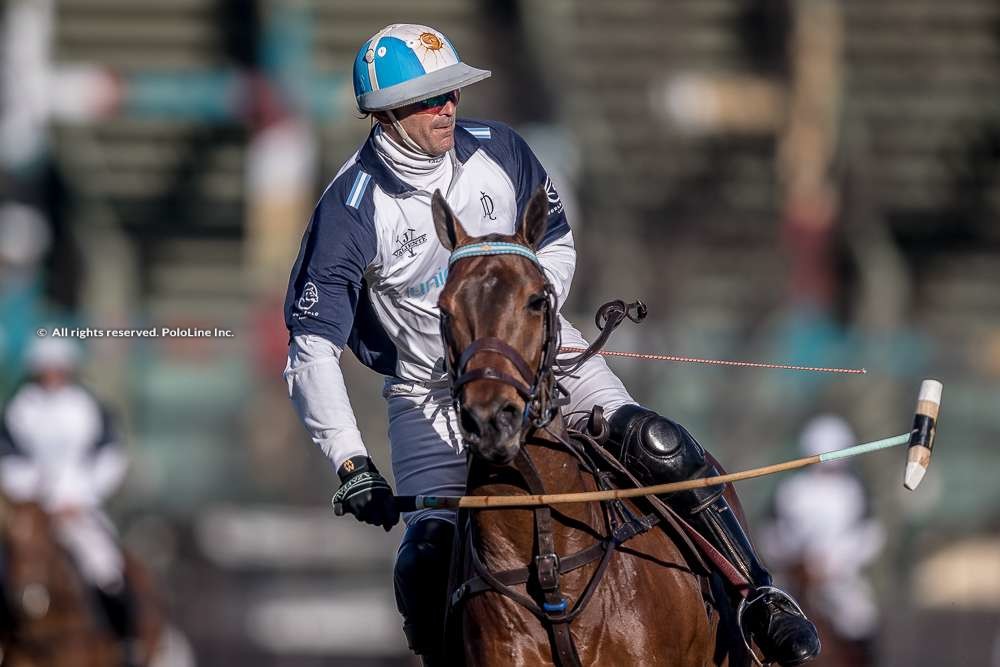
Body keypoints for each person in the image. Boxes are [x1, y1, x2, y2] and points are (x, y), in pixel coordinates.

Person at [283, 23, 820, 666]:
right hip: (431, 393)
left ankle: (759, 597)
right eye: (430, 98)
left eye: (451, 92)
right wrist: (351, 462)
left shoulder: (502, 151)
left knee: (661, 445)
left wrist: (530, 311)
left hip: (546, 353)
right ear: (384, 111)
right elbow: (311, 350)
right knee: (424, 561)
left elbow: (558, 242)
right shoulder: (350, 208)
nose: (448, 107)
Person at [0, 336, 138, 662]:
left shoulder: (88, 405)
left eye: (57, 367)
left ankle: (124, 643)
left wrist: (79, 495)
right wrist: (38, 496)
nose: (52, 374)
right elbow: (8, 460)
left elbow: (111, 457)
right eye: (45, 368)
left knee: (106, 569)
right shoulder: (22, 407)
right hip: (32, 512)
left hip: (79, 509)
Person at [760, 415, 885, 664]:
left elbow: (871, 534)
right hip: (795, 579)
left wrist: (834, 562)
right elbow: (771, 533)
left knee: (862, 620)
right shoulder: (790, 490)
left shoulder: (853, 491)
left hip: (840, 581)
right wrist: (796, 560)